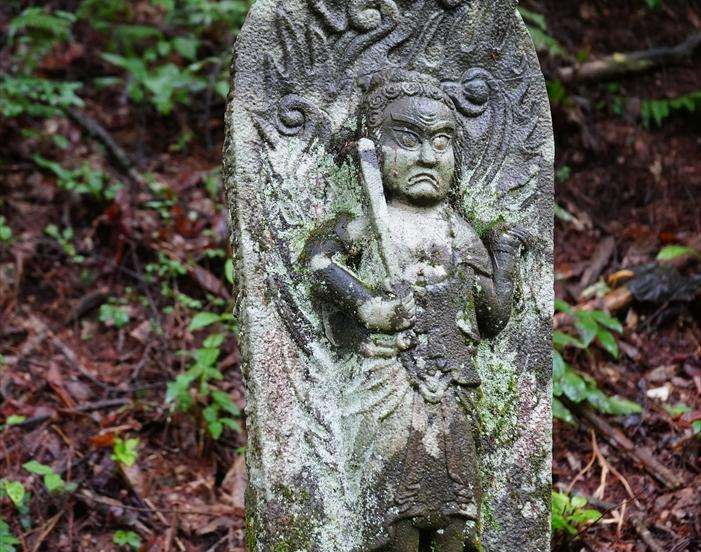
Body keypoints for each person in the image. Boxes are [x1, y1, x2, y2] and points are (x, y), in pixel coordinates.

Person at [304, 69, 526, 551]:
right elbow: (319, 264)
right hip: (389, 380)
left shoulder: (458, 232)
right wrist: (368, 307)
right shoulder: (369, 223)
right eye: (408, 140)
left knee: (457, 514)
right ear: (373, 149)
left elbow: (492, 318)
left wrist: (504, 257)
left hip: (454, 383)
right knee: (396, 515)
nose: (427, 156)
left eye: (441, 142)